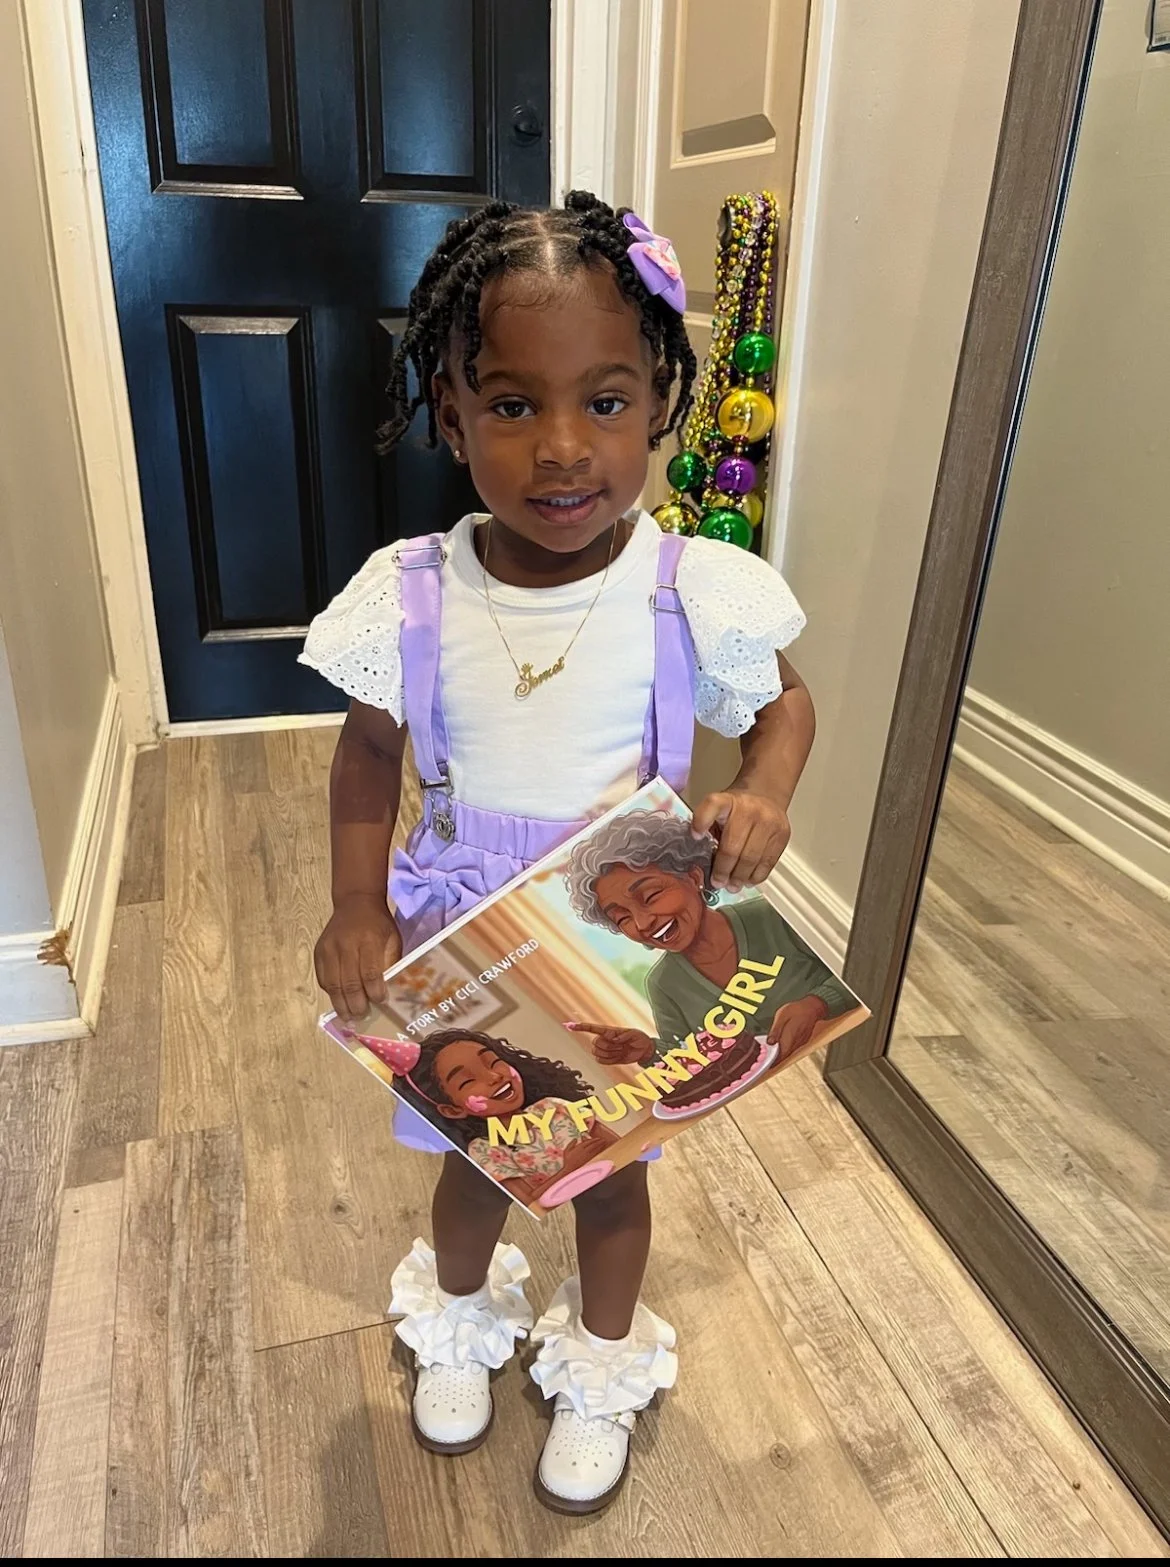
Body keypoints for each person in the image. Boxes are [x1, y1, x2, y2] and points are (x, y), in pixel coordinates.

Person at [301, 191, 815, 1513]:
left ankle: (597, 1354)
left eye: (605, 399)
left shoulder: (686, 585)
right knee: (475, 1162)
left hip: (611, 937)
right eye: (512, 405)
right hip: (465, 929)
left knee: (608, 1174)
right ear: (451, 416)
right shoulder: (411, 588)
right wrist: (357, 900)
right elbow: (368, 755)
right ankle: (463, 1317)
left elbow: (783, 703)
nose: (563, 448)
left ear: (659, 406)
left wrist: (762, 786)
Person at [561, 806, 858, 1066]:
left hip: (849, 1048)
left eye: (651, 896)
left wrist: (817, 1003)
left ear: (693, 876)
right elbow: (690, 1058)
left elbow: (859, 968)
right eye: (622, 917)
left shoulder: (770, 916)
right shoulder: (663, 985)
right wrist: (649, 1051)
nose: (642, 922)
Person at [364, 1027, 616, 1208]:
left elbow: (614, 1142)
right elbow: (530, 1201)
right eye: (469, 1080)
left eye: (493, 1062)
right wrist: (569, 1169)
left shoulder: (552, 1107)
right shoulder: (485, 1150)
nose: (494, 1076)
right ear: (452, 1110)